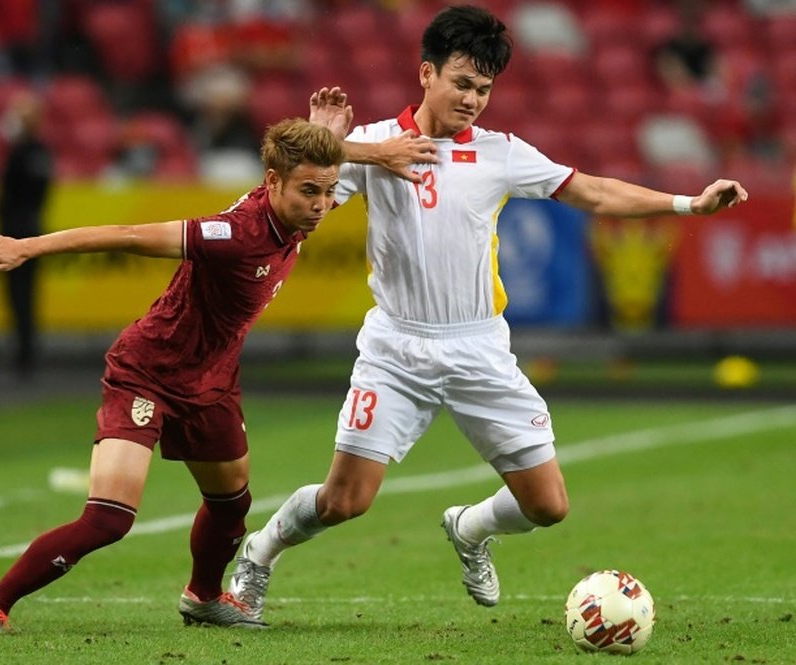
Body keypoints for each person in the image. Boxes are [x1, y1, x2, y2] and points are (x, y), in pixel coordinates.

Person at [229, 5, 748, 623]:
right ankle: (258, 556)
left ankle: (470, 528)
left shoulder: (502, 153)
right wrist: (332, 144)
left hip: (479, 347)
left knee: (549, 505)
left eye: (484, 88)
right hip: (397, 348)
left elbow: (595, 191)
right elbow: (284, 204)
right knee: (345, 501)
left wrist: (690, 203)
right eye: (462, 83)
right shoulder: (373, 146)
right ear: (426, 73)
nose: (473, 99)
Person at [0, 114, 369, 633]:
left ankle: (202, 597)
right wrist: (26, 246)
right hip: (148, 372)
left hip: (212, 381)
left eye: (329, 193)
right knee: (109, 518)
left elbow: (312, 168)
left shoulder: (293, 206)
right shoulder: (236, 235)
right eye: (310, 191)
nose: (321, 205)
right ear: (272, 183)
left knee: (231, 505)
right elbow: (127, 235)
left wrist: (322, 134)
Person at [0, 91, 52, 378]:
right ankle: (22, 350)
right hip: (19, 229)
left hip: (22, 231)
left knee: (22, 296)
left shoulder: (32, 153)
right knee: (17, 297)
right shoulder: (27, 152)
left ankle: (26, 354)